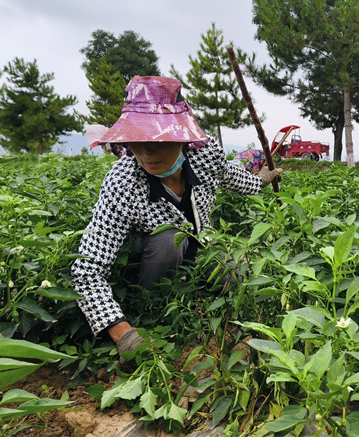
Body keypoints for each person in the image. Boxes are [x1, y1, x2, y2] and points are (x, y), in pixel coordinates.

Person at [71, 76, 283, 353]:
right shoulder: (123, 182)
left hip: (200, 241)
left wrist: (262, 180)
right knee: (169, 239)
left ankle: (216, 312)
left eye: (160, 139)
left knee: (233, 269)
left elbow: (232, 177)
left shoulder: (206, 157)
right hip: (153, 258)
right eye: (137, 139)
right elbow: (88, 269)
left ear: (183, 138)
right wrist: (121, 332)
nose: (147, 151)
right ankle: (152, 309)